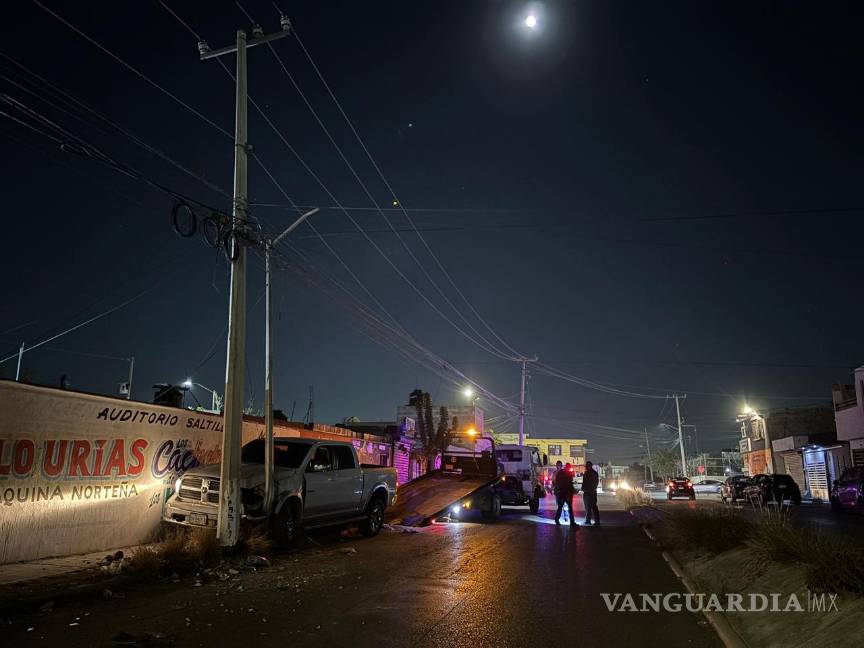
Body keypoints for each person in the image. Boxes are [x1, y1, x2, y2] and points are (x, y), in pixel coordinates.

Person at [554, 462, 578, 527]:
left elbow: (557, 483)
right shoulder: (567, 474)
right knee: (569, 508)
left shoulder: (560, 473)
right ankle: (572, 522)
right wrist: (573, 490)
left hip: (561, 493)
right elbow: (569, 484)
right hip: (566, 493)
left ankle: (557, 520)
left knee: (561, 507)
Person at [582, 460, 600, 526]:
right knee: (588, 507)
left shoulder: (593, 473)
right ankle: (588, 520)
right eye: (586, 466)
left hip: (591, 492)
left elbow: (596, 483)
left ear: (590, 466)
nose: (587, 467)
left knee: (593, 506)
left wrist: (591, 489)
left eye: (588, 465)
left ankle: (596, 521)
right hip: (587, 492)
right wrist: (583, 489)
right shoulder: (586, 473)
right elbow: (584, 483)